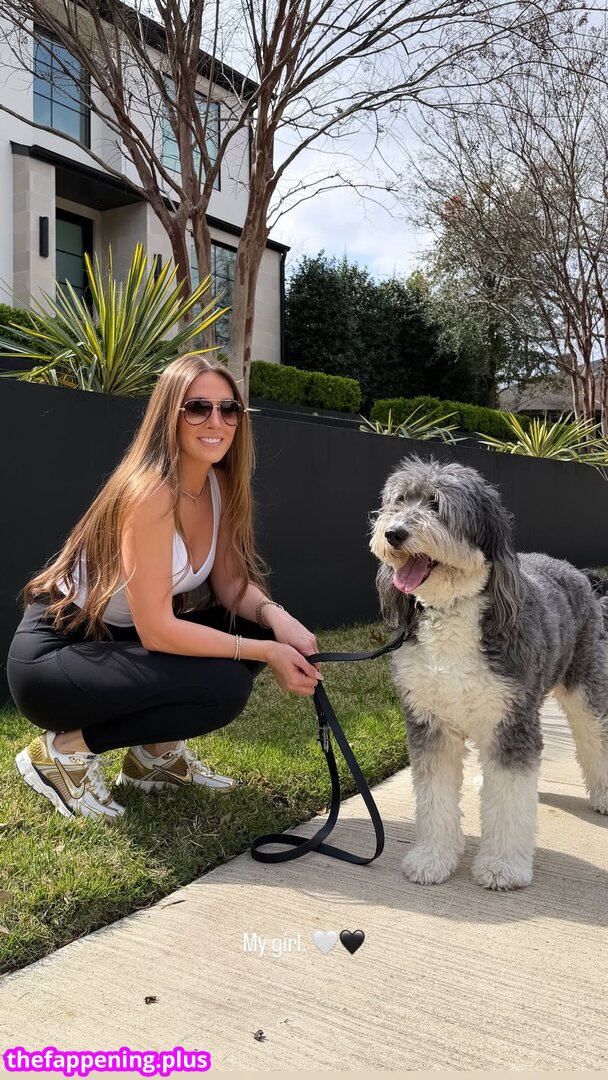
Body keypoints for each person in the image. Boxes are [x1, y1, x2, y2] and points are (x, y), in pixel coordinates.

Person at [7, 354, 323, 821]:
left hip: (116, 643)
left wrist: (279, 621)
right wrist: (266, 653)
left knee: (257, 628)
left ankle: (154, 759)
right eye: (197, 408)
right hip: (57, 656)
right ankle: (62, 752)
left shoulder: (218, 485)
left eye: (229, 409)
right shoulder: (150, 491)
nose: (216, 421)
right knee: (224, 686)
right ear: (168, 416)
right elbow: (157, 631)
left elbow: (231, 584)